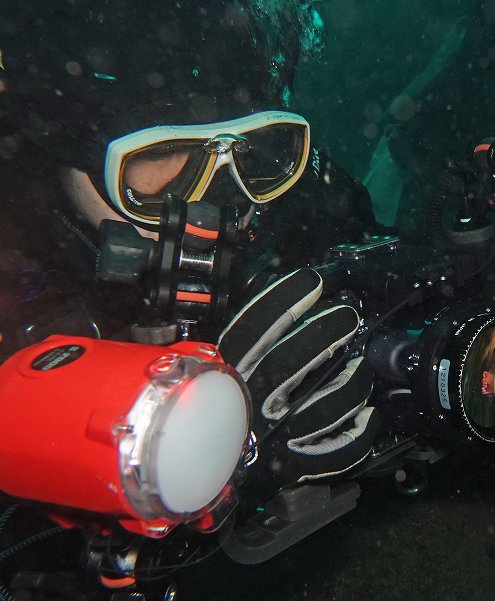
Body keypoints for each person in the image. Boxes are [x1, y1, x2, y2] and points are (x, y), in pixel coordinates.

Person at [0, 1, 384, 597]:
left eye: (253, 154)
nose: (214, 207)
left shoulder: (291, 206)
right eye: (158, 161)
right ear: (59, 158)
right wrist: (188, 466)